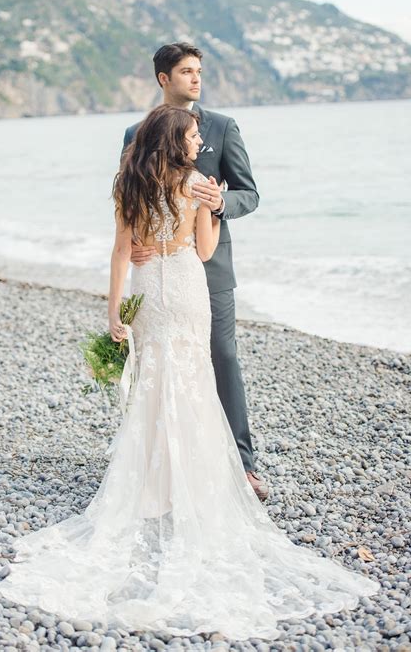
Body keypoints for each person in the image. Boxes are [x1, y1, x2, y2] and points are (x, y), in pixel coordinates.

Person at [0, 104, 379, 640]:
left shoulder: (129, 184)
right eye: (192, 135)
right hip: (189, 287)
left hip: (148, 290)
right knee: (193, 385)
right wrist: (210, 209)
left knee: (154, 385)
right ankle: (194, 482)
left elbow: (122, 250)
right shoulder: (197, 186)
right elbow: (207, 248)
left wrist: (113, 312)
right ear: (177, 141)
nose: (198, 141)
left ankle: (153, 486)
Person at [123, 42, 268, 501]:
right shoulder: (135, 132)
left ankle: (241, 466)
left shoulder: (222, 127)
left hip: (211, 263)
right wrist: (134, 247)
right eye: (187, 71)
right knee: (157, 359)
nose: (197, 78)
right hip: (156, 269)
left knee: (221, 357)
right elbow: (129, 198)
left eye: (199, 71)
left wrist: (221, 202)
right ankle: (161, 464)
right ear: (163, 78)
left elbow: (249, 192)